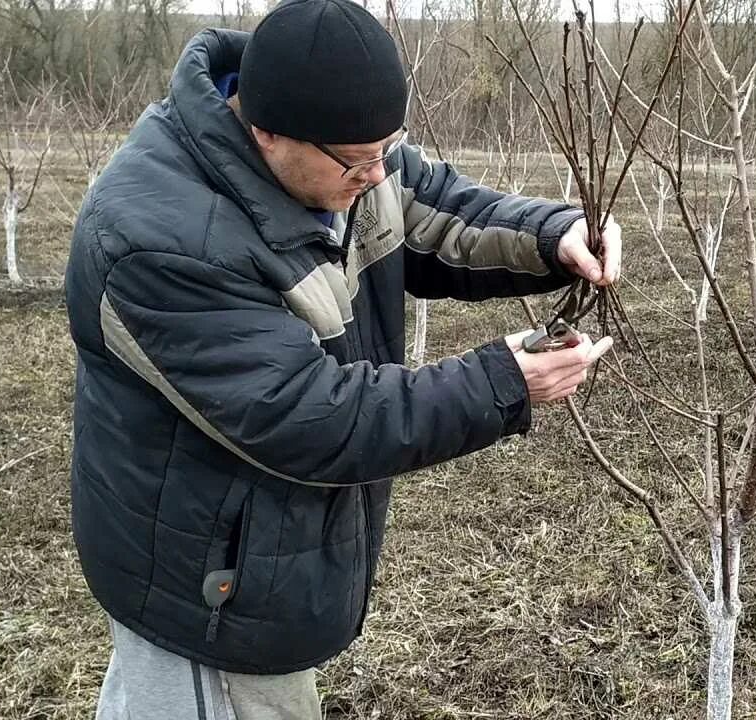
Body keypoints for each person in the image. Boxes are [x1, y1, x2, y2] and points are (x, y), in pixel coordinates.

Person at [64, 0, 621, 717]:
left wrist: (556, 233)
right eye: (359, 161)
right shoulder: (156, 240)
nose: (378, 172)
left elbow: (435, 207)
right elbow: (305, 418)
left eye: (388, 148)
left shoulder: (339, 153)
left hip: (269, 558)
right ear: (265, 130)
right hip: (204, 587)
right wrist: (501, 381)